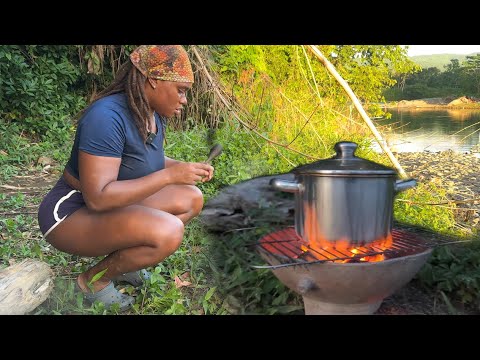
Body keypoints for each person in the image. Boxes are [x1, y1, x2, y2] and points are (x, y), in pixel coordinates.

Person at [37, 45, 214, 312]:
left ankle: (125, 264)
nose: (184, 100)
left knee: (190, 197)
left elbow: (143, 161)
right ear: (153, 80)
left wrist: (184, 168)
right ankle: (92, 281)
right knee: (169, 230)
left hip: (110, 206)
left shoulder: (151, 113)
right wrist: (170, 176)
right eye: (180, 91)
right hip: (71, 212)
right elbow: (97, 198)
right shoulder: (106, 117)